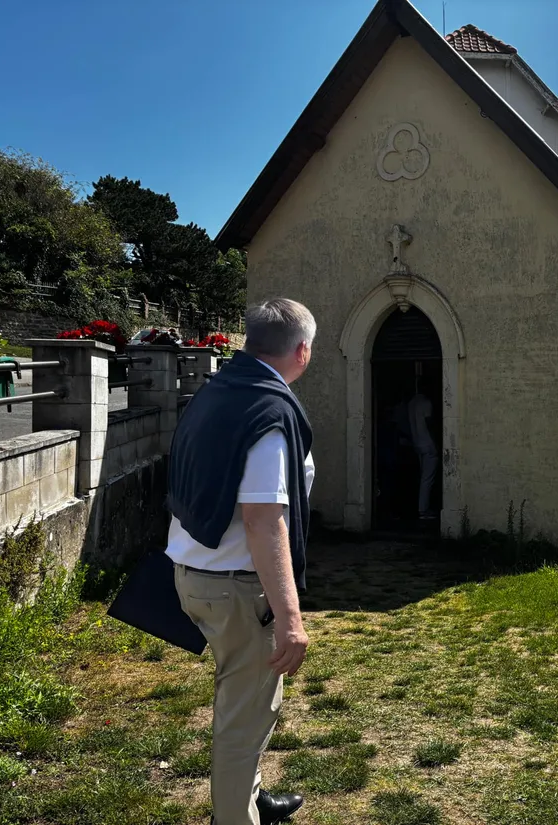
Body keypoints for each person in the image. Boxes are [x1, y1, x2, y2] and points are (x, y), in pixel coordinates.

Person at [165, 298, 316, 825]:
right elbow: (262, 519)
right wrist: (291, 621)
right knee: (246, 717)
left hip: (192, 572)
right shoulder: (268, 412)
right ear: (303, 350)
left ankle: (251, 800)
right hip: (235, 587)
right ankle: (234, 816)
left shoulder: (218, 391)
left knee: (240, 701)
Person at [407, 377, 437, 520]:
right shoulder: (426, 403)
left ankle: (422, 508)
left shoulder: (411, 403)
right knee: (428, 478)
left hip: (417, 444)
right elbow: (429, 424)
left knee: (423, 477)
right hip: (428, 444)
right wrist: (437, 442)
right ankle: (423, 510)